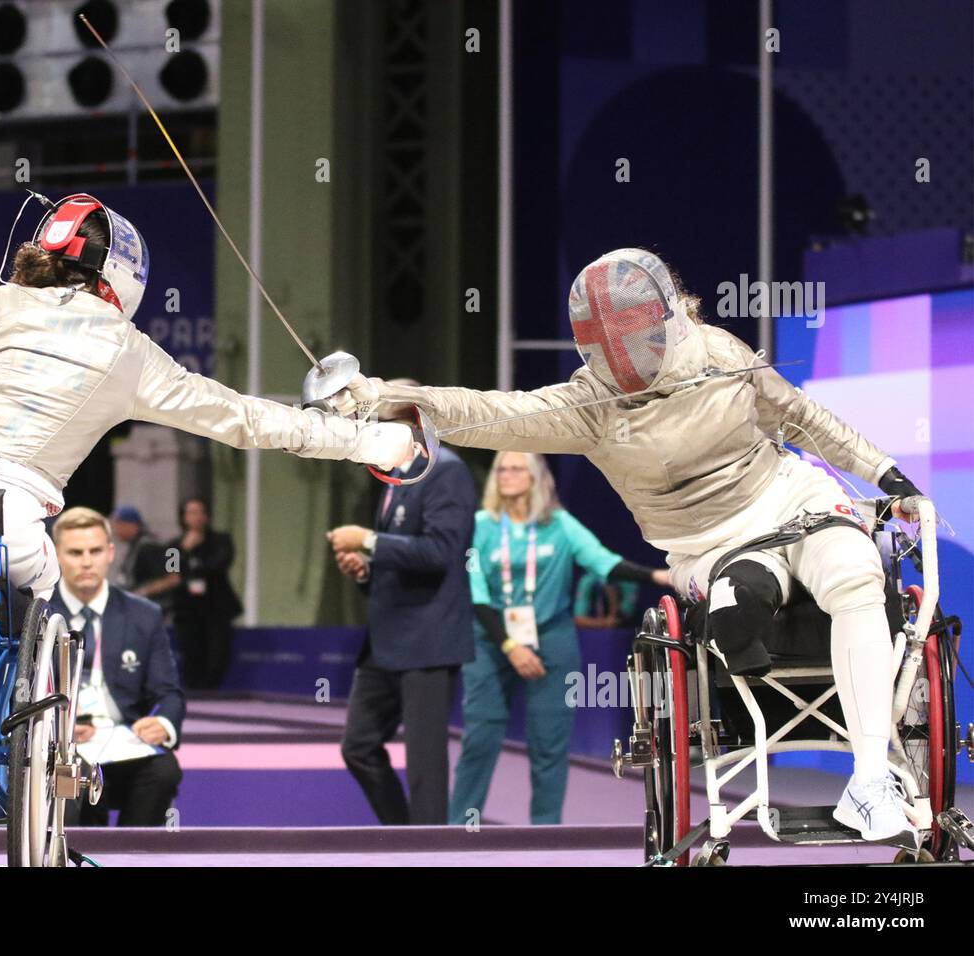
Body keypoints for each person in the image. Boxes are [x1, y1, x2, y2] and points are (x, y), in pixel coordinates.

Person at [0, 192, 414, 796]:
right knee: (37, 578)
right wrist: (370, 443)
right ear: (121, 278)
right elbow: (245, 419)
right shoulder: (128, 350)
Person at [333, 247, 930, 848]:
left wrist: (884, 474)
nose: (624, 354)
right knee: (736, 602)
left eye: (635, 335)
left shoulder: (720, 353)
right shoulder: (586, 407)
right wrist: (381, 397)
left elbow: (800, 417)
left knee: (855, 570)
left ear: (664, 320)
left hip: (786, 497)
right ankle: (741, 628)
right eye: (608, 342)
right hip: (706, 541)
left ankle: (870, 781)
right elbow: (489, 412)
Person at [450, 450, 670, 825]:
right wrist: (510, 646)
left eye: (516, 468)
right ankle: (459, 828)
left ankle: (546, 834)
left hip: (551, 636)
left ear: (536, 477)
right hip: (491, 640)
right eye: (501, 468)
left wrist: (657, 577)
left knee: (549, 746)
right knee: (479, 739)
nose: (506, 474)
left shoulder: (561, 524)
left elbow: (603, 562)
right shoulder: (481, 525)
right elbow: (477, 594)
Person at [328, 388, 477, 825]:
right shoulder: (397, 476)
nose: (368, 435)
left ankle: (428, 853)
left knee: (425, 765)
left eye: (376, 424)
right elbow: (403, 555)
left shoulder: (445, 471)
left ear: (409, 427)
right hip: (385, 641)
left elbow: (440, 553)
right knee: (357, 746)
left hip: (429, 640)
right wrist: (366, 570)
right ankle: (404, 837)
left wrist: (368, 540)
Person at [49, 507, 184, 826]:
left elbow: (169, 692)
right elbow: (17, 691)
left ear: (110, 553)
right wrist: (59, 731)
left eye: (95, 551)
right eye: (75, 552)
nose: (86, 561)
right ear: (56, 556)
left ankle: (133, 856)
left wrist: (163, 723)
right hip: (62, 747)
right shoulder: (36, 612)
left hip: (124, 742)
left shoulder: (144, 616)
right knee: (74, 775)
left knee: (164, 771)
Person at [167, 497, 243, 690]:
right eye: (190, 512)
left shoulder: (220, 540)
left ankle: (211, 692)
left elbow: (219, 564)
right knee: (191, 654)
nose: (195, 517)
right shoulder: (175, 545)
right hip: (187, 609)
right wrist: (185, 550)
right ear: (183, 517)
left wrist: (197, 561)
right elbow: (172, 571)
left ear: (207, 516)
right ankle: (194, 696)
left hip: (216, 607)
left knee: (217, 656)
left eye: (199, 512)